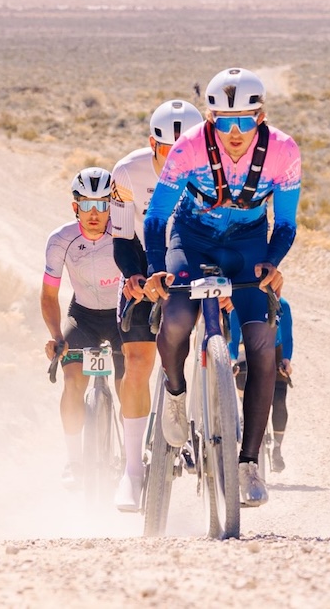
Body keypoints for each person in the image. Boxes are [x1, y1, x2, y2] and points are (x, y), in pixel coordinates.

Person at [141, 67, 301, 507]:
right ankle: (175, 393)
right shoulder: (189, 147)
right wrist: (157, 267)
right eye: (224, 122)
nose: (234, 132)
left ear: (260, 117)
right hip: (191, 238)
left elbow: (285, 223)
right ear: (210, 120)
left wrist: (272, 262)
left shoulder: (283, 151)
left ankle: (248, 462)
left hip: (248, 245)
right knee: (175, 319)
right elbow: (157, 216)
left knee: (262, 343)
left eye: (245, 121)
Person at [108, 99, 204, 512]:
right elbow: (122, 237)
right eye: (169, 152)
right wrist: (133, 276)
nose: (178, 161)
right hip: (146, 266)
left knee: (217, 345)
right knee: (137, 362)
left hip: (195, 263)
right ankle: (132, 470)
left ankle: (211, 423)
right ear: (153, 144)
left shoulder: (212, 169)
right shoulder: (127, 173)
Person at [41, 167, 124, 489]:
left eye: (102, 205)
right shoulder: (60, 240)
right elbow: (49, 293)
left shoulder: (126, 235)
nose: (94, 213)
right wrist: (56, 337)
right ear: (75, 207)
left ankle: (132, 460)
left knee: (126, 385)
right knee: (73, 380)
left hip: (121, 318)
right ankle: (74, 462)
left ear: (111, 207)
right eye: (86, 205)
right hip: (84, 317)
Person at [229, 297, 293, 472]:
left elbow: (287, 336)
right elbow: (233, 337)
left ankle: (277, 448)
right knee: (242, 374)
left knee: (279, 400)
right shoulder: (237, 304)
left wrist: (286, 360)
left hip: (275, 349)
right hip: (248, 347)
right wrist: (233, 359)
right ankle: (245, 417)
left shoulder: (282, 305)